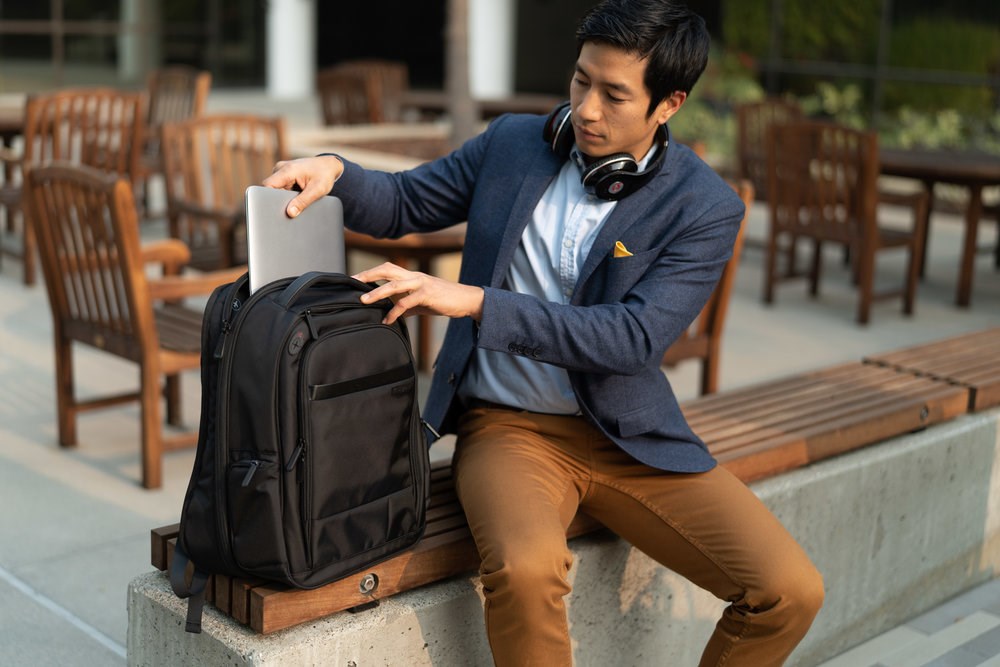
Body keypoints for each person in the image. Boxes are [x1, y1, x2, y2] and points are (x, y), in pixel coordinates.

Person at [264, 1, 824, 663]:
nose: (587, 108)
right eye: (581, 81)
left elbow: (632, 337)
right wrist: (335, 171)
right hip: (509, 429)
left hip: (629, 437)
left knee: (790, 589)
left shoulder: (703, 206)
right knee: (528, 571)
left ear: (668, 105)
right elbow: (408, 202)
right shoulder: (513, 146)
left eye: (615, 95)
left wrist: (477, 302)